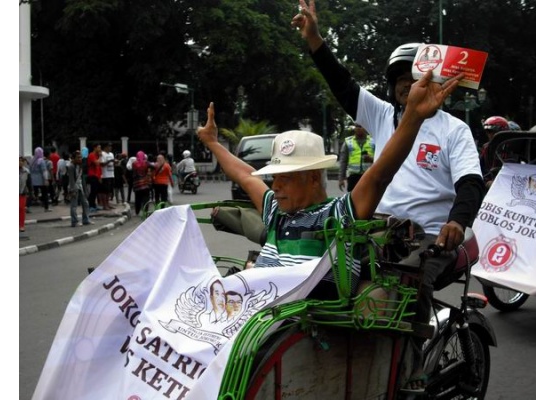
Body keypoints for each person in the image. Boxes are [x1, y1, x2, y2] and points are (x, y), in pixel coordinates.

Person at [292, 1, 485, 391]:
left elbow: (470, 184)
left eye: (415, 76)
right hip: (376, 228)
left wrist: (456, 222)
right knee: (322, 274)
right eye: (401, 78)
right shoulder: (383, 116)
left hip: (428, 236)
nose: (407, 83)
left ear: (434, 83)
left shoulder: (454, 130)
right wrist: (314, 40)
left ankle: (405, 374)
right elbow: (343, 84)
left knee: (401, 289)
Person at [197, 63, 464, 302]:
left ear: (313, 178)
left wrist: (413, 117)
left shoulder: (337, 215)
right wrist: (212, 143)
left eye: (285, 178)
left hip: (295, 325)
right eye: (274, 178)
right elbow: (245, 175)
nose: (275, 186)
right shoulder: (275, 210)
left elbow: (379, 175)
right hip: (253, 309)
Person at [338, 123, 375, 192]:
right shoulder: (348, 142)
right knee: (353, 200)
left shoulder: (373, 141)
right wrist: (341, 178)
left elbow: (381, 158)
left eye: (360, 126)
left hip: (369, 176)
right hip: (353, 178)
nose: (358, 128)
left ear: (365, 128)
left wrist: (371, 159)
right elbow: (343, 162)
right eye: (356, 126)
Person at [479, 115, 509, 188]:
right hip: (491, 183)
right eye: (487, 131)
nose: (489, 134)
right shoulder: (486, 147)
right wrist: (486, 181)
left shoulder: (512, 147)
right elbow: (480, 168)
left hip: (508, 182)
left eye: (491, 131)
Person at [67, 150, 93, 227]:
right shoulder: (71, 167)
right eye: (78, 157)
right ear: (73, 158)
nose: (80, 159)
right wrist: (72, 190)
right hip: (74, 187)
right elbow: (71, 180)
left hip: (80, 186)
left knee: (85, 203)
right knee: (74, 205)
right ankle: (74, 222)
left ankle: (86, 219)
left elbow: (82, 178)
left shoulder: (80, 166)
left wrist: (85, 189)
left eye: (80, 157)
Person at [30, 147, 52, 212]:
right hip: (41, 180)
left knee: (32, 194)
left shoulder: (32, 160)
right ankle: (46, 208)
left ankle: (27, 207)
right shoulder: (41, 161)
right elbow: (44, 171)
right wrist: (46, 179)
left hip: (33, 180)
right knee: (45, 193)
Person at [131, 151, 152, 215]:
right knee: (146, 197)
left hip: (137, 183)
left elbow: (133, 172)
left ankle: (137, 211)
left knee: (137, 198)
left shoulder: (134, 163)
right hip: (145, 183)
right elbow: (153, 167)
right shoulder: (146, 163)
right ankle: (145, 211)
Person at [87, 143, 103, 213]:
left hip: (97, 175)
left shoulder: (96, 155)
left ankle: (94, 205)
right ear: (95, 148)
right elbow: (97, 163)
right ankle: (90, 206)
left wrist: (100, 176)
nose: (100, 149)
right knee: (93, 191)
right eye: (99, 147)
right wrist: (100, 157)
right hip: (92, 175)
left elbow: (99, 166)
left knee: (96, 191)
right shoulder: (91, 155)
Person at [100, 142, 115, 210]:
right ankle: (104, 205)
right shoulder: (102, 154)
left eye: (111, 146)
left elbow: (112, 162)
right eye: (109, 146)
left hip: (111, 174)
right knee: (104, 191)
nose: (110, 147)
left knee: (109, 191)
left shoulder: (111, 154)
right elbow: (102, 164)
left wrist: (114, 162)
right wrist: (109, 161)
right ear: (105, 147)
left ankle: (108, 203)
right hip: (105, 175)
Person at [19, 156, 33, 232]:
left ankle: (21, 225)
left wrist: (31, 192)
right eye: (19, 161)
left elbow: (29, 183)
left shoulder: (26, 171)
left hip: (22, 192)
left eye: (22, 161)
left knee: (21, 208)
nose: (20, 162)